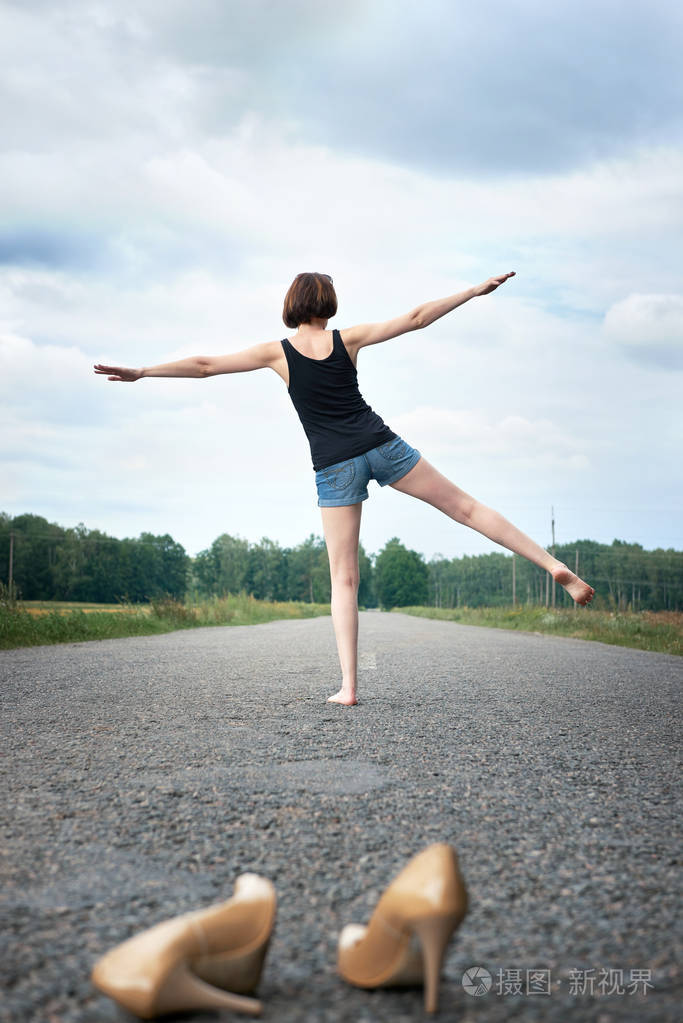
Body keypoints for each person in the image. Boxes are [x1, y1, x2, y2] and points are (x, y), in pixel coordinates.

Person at [95, 271, 594, 706]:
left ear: (291, 306)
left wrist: (142, 372)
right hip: (380, 444)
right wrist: (472, 291)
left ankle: (350, 687)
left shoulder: (277, 352)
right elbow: (418, 317)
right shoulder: (348, 338)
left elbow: (205, 366)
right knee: (465, 507)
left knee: (344, 578)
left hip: (334, 467)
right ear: (328, 304)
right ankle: (553, 566)